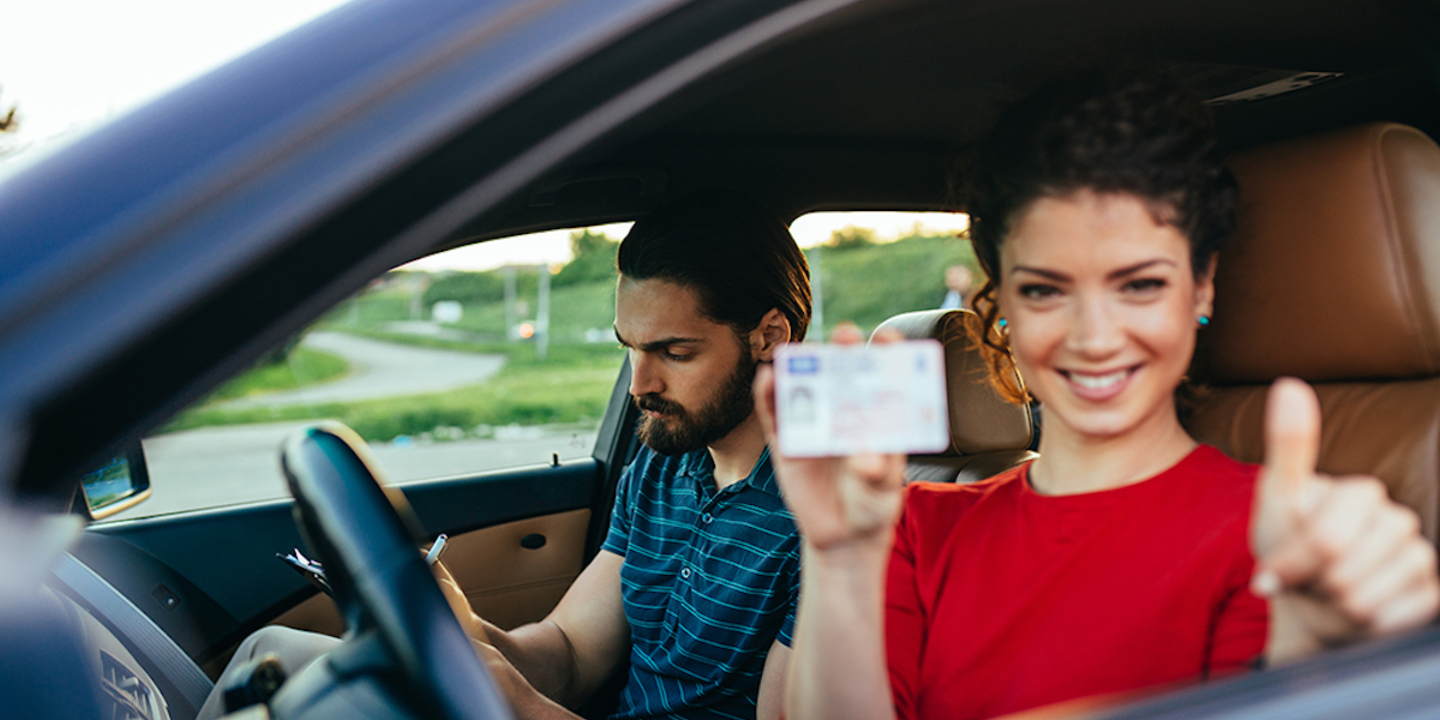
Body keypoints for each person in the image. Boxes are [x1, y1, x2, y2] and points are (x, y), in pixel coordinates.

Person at [754, 70, 1440, 720]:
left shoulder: (1281, 534)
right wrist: (839, 560)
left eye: (1139, 284)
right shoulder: (908, 527)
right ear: (1002, 306)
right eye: (1045, 290)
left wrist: (1304, 660)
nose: (1095, 337)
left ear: (1201, 286)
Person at [200, 194, 811, 720]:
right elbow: (569, 655)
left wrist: (514, 701)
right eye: (630, 348)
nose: (639, 384)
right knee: (269, 650)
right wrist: (459, 624)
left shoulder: (825, 518)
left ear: (769, 337)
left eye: (674, 352)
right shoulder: (661, 467)